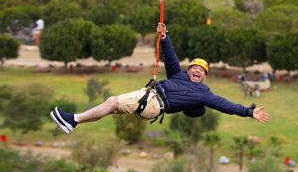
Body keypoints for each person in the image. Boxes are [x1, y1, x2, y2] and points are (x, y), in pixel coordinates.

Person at [50, 23, 270, 134]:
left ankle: (73, 120)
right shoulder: (178, 74)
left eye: (201, 71)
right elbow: (171, 57)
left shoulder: (203, 94)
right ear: (189, 69)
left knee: (111, 102)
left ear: (204, 78)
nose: (197, 71)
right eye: (194, 68)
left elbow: (224, 105)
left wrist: (248, 112)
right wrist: (164, 37)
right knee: (109, 107)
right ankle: (74, 122)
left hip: (154, 103)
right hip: (150, 99)